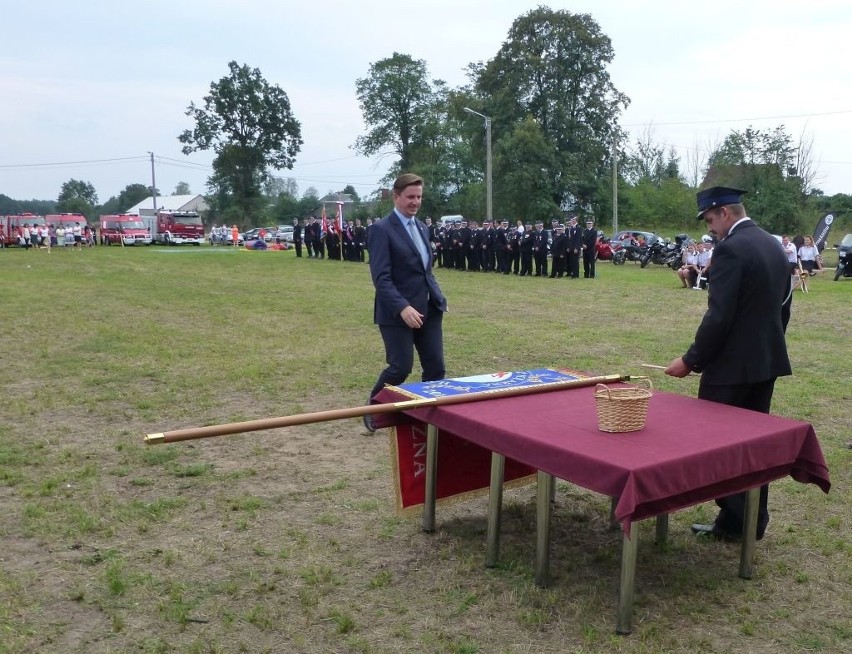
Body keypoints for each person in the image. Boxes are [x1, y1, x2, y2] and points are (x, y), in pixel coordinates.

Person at [665, 187, 792, 542]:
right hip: (765, 363)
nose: (712, 230)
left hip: (731, 370)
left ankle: (735, 521)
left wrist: (690, 361)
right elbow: (784, 306)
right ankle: (750, 521)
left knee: (718, 445)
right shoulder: (771, 244)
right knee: (753, 446)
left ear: (724, 213)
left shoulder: (731, 249)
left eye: (710, 220)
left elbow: (719, 317)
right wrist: (766, 345)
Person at [365, 173, 448, 431]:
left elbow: (426, 271)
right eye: (410, 197)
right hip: (396, 313)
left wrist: (438, 295)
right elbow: (382, 278)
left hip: (429, 311)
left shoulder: (422, 227)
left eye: (419, 197)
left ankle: (425, 417)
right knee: (400, 368)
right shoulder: (381, 230)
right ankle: (373, 409)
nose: (415, 202)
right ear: (396, 196)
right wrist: (403, 307)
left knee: (436, 368)